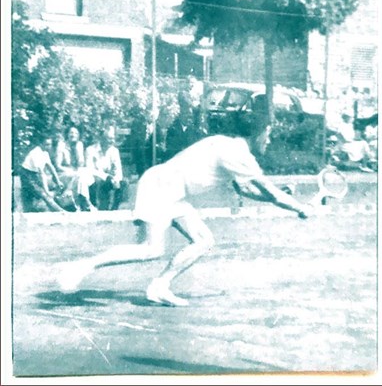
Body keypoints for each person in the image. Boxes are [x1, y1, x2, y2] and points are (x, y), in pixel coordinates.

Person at [57, 112, 314, 306]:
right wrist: (300, 208)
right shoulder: (238, 153)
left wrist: (281, 200)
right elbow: (269, 190)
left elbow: (246, 190)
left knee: (203, 240)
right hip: (162, 186)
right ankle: (81, 266)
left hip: (172, 190)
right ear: (257, 134)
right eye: (267, 133)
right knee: (151, 249)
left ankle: (159, 286)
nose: (268, 140)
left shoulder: (225, 144)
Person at [54, 126, 95, 211]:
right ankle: (86, 203)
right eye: (71, 132)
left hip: (76, 174)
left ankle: (80, 204)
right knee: (79, 176)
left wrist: (77, 151)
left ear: (79, 135)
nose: (73, 135)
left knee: (81, 177)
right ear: (67, 135)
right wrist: (71, 171)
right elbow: (58, 165)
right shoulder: (61, 145)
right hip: (63, 173)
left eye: (76, 133)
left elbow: (81, 164)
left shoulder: (79, 145)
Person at [20, 134, 65, 212]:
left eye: (50, 144)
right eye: (46, 144)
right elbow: (42, 174)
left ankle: (56, 207)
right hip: (27, 174)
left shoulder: (45, 152)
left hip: (35, 174)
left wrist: (58, 181)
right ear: (41, 144)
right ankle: (60, 211)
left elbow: (51, 167)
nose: (49, 146)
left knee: (53, 188)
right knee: (43, 193)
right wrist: (46, 190)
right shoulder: (36, 153)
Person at [85, 125, 126, 210]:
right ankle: (97, 207)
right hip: (94, 180)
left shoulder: (114, 151)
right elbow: (90, 169)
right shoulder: (90, 150)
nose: (112, 141)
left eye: (113, 138)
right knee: (98, 181)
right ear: (101, 138)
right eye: (109, 138)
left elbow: (118, 169)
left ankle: (114, 209)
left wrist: (116, 180)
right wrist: (106, 176)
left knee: (123, 182)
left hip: (109, 180)